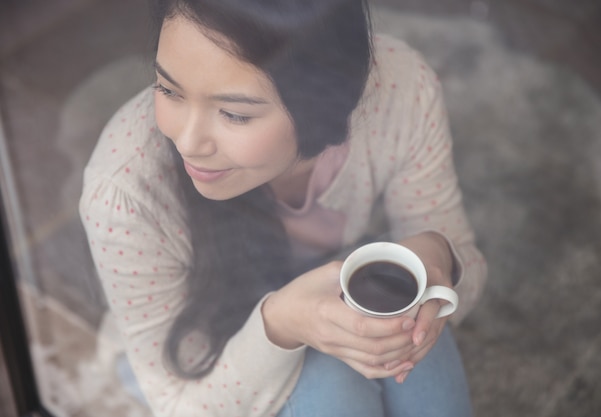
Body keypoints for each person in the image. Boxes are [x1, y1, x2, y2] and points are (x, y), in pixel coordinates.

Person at [79, 0, 487, 415]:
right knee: (333, 382)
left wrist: (438, 255)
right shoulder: (126, 191)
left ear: (320, 99)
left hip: (326, 282)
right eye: (168, 89)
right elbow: (183, 405)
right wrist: (282, 323)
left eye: (234, 114)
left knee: (403, 312)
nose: (187, 142)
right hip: (209, 360)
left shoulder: (398, 90)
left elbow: (465, 271)